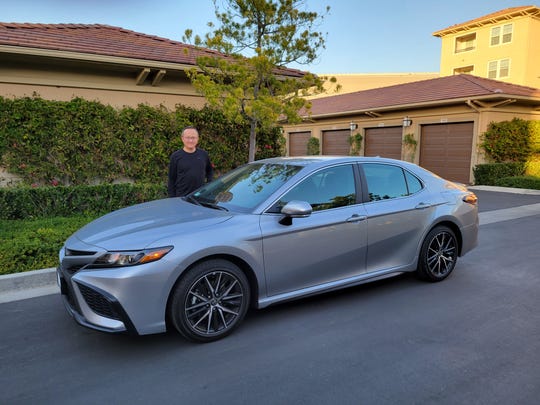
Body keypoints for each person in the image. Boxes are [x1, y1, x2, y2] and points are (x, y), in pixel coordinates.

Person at [168, 126, 213, 197]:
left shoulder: (203, 154)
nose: (190, 140)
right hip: (181, 197)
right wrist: (172, 198)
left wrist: (209, 186)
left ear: (198, 139)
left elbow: (209, 171)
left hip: (200, 196)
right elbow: (171, 179)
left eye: (193, 138)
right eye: (188, 137)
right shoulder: (176, 156)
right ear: (182, 138)